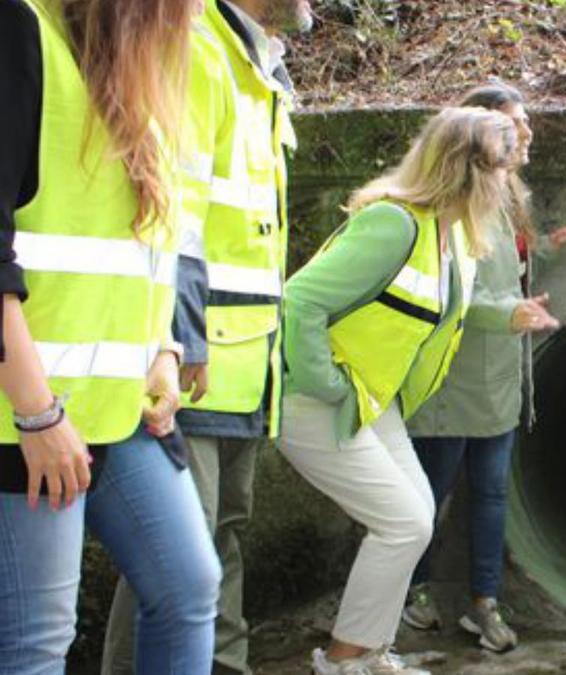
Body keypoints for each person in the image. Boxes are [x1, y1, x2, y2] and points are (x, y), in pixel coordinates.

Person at [0, 0, 221, 673]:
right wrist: (38, 413)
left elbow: (145, 246)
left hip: (117, 408)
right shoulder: (19, 31)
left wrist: (162, 347)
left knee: (188, 586)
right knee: (38, 640)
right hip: (27, 415)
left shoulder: (137, 71)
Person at [101, 0, 308, 672]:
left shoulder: (255, 67)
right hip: (196, 360)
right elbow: (172, 214)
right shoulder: (196, 51)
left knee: (219, 542)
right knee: (172, 562)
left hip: (243, 361)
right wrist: (182, 336)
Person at [279, 107, 519, 675]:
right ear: (470, 170)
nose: (510, 179)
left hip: (371, 399)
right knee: (404, 522)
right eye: (504, 167)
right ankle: (342, 661)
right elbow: (300, 300)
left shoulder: (449, 233)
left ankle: (371, 652)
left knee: (416, 519)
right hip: (317, 400)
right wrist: (326, 384)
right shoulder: (394, 223)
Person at [401, 82, 566, 654]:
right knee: (428, 496)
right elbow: (446, 297)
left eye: (523, 123)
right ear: (478, 140)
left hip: (500, 377)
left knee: (492, 495)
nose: (524, 134)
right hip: (453, 380)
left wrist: (545, 249)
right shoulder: (448, 208)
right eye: (512, 125)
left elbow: (512, 261)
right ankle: (412, 591)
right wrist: (510, 313)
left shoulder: (504, 199)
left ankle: (485, 604)